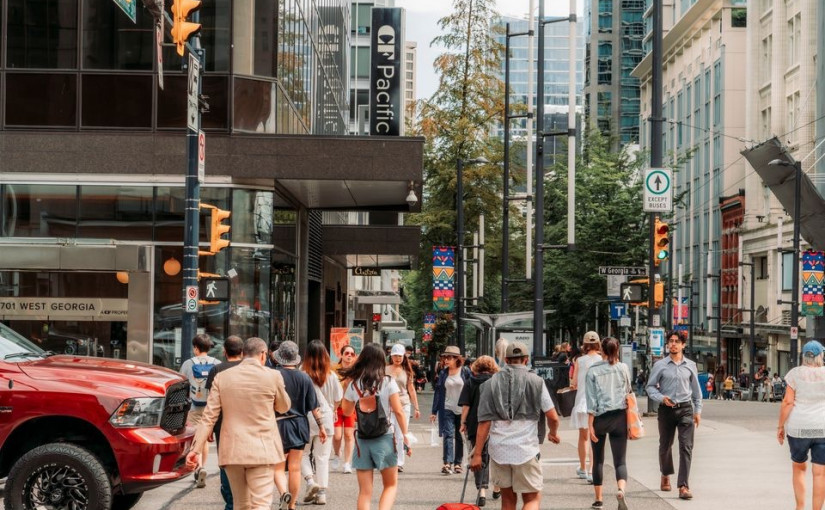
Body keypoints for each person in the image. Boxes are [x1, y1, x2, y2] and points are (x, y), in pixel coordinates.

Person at [185, 337, 291, 510]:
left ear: (243, 354)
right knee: (261, 504)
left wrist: (195, 450)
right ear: (263, 355)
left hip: (232, 450)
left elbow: (208, 417)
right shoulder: (273, 376)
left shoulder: (222, 377)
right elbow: (284, 406)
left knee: (240, 504)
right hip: (262, 450)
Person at [470, 341, 561, 510]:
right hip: (525, 450)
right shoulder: (536, 381)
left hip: (499, 451)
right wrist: (553, 433)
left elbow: (484, 422)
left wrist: (477, 454)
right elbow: (553, 417)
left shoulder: (490, 384)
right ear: (526, 359)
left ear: (506, 359)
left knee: (508, 500)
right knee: (532, 498)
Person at [340, 343, 411, 510]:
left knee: (365, 492)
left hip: (363, 440)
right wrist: (406, 435)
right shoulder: (388, 382)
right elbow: (399, 411)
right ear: (381, 361)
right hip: (385, 438)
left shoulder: (353, 385)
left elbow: (347, 411)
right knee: (390, 485)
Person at [646, 330, 703, 500]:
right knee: (665, 446)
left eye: (677, 341)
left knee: (686, 447)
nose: (673, 344)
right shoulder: (660, 365)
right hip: (666, 410)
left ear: (683, 345)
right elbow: (650, 387)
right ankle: (665, 473)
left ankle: (683, 485)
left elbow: (696, 392)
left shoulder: (691, 365)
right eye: (670, 341)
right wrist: (661, 398)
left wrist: (697, 411)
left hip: (685, 409)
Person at [272, 341, 327, 510]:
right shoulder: (304, 377)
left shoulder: (273, 375)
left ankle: (283, 494)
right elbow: (314, 408)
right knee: (295, 468)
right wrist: (322, 428)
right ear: (295, 359)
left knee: (278, 467)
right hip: (299, 424)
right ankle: (293, 504)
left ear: (279, 358)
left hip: (278, 425)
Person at [777, 341, 825, 510]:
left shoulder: (794, 374)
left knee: (799, 468)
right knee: (820, 473)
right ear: (820, 356)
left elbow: (788, 402)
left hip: (798, 429)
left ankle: (800, 507)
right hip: (822, 428)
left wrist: (780, 427)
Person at [586, 337, 632, 510]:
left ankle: (598, 500)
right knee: (620, 461)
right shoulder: (623, 368)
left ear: (602, 351)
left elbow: (591, 401)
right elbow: (628, 392)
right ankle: (621, 490)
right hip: (620, 417)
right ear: (617, 350)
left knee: (598, 459)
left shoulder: (593, 371)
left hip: (600, 418)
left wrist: (590, 425)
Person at [205, 335, 244, 510]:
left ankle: (231, 502)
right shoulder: (247, 369)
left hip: (223, 425)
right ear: (242, 352)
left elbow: (211, 402)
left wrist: (209, 428)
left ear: (224, 351)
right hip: (246, 423)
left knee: (226, 463)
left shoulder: (216, 370)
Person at [301, 340, 342, 505]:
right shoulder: (331, 375)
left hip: (305, 417)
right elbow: (338, 398)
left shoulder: (302, 373)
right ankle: (322, 493)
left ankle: (310, 481)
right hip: (325, 417)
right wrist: (333, 409)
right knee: (323, 457)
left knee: (302, 454)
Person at [179, 333, 220, 488]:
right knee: (206, 435)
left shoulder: (188, 364)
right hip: (211, 407)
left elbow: (182, 383)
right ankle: (203, 465)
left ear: (195, 348)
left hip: (193, 407)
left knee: (197, 435)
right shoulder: (216, 363)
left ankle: (199, 467)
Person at [459, 355, 499, 507]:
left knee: (479, 456)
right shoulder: (496, 382)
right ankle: (497, 487)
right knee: (496, 456)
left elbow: (466, 405)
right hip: (496, 423)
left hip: (475, 423)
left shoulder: (470, 382)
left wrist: (463, 422)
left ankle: (481, 491)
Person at [430, 345, 470, 475]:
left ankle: (458, 463)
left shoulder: (465, 372)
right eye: (445, 357)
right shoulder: (443, 373)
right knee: (448, 434)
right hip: (447, 408)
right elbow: (438, 392)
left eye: (449, 358)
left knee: (459, 436)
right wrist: (434, 411)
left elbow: (471, 390)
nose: (446, 360)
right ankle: (447, 463)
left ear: (457, 359)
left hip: (462, 408)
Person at [570, 331, 602, 484]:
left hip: (582, 402)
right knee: (594, 438)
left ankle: (583, 468)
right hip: (598, 403)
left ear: (584, 344)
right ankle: (591, 471)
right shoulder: (602, 360)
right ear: (598, 344)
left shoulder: (579, 361)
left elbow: (574, 383)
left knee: (583, 437)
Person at [386, 343, 420, 473]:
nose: (397, 358)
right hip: (388, 405)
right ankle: (390, 460)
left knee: (400, 434)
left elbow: (411, 390)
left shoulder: (407, 371)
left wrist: (416, 407)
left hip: (404, 404)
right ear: (391, 356)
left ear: (404, 357)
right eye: (395, 356)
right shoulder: (385, 369)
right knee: (390, 433)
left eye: (400, 356)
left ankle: (399, 462)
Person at [332, 344, 357, 473]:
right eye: (346, 353)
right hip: (336, 406)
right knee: (337, 436)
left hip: (350, 406)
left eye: (352, 354)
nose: (349, 356)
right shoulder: (334, 369)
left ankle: (347, 463)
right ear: (341, 355)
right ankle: (337, 454)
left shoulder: (356, 371)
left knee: (348, 435)